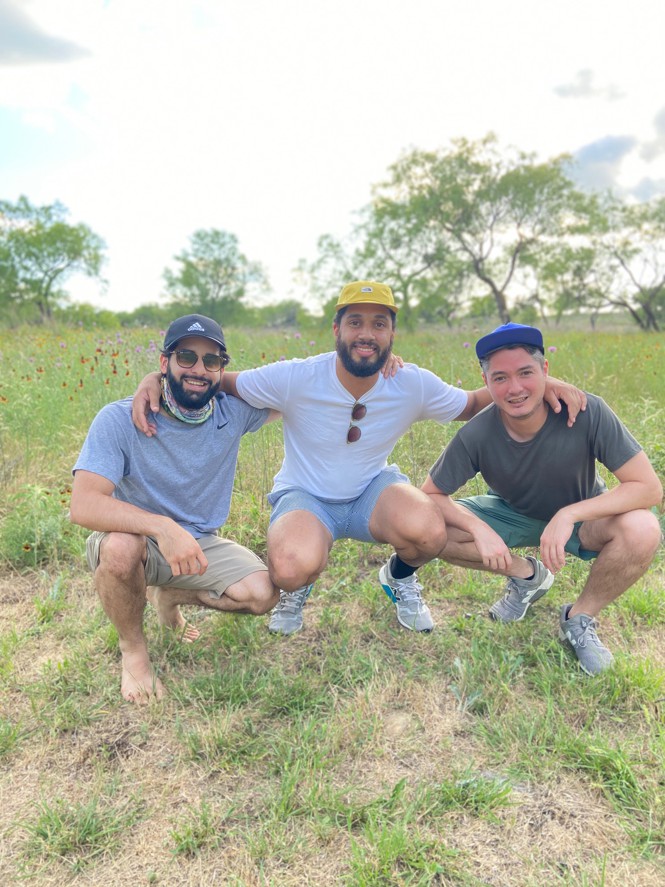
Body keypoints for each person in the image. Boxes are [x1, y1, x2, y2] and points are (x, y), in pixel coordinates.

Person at [133, 283, 585, 637]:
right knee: (289, 567)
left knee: (428, 527)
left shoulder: (410, 382)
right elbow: (212, 378)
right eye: (355, 322)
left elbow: (469, 403)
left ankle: (401, 578)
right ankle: (299, 588)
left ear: (391, 334)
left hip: (373, 491)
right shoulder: (295, 376)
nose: (366, 334)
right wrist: (156, 378)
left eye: (379, 324)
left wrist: (541, 381)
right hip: (307, 496)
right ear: (337, 330)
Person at [421, 322, 663, 675]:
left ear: (545, 371)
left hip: (583, 517)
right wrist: (479, 529)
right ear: (486, 383)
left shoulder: (585, 411)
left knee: (643, 527)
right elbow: (431, 494)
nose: (515, 388)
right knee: (428, 525)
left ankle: (578, 618)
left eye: (526, 373)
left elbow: (648, 487)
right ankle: (527, 578)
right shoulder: (477, 433)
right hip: (513, 513)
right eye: (500, 378)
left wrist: (568, 514)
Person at [70, 314, 279, 704]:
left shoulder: (232, 412)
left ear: (222, 370)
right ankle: (134, 652)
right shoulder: (119, 419)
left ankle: (169, 597)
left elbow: (294, 392)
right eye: (186, 357)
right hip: (136, 540)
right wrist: (162, 528)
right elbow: (83, 504)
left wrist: (383, 370)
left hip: (199, 541)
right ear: (164, 363)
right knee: (119, 550)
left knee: (262, 593)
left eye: (211, 361)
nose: (199, 370)